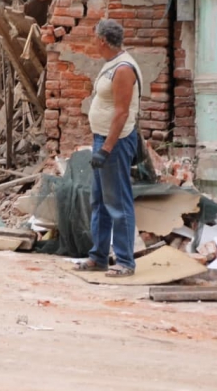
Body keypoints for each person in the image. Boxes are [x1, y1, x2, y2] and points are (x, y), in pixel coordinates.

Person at [74, 19, 141, 277]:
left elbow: (122, 113)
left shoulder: (124, 68)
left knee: (118, 202)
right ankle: (99, 257)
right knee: (99, 201)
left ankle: (125, 262)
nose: (93, 42)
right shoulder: (112, 64)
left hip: (117, 141)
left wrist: (107, 148)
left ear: (102, 40)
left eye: (94, 38)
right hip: (102, 138)